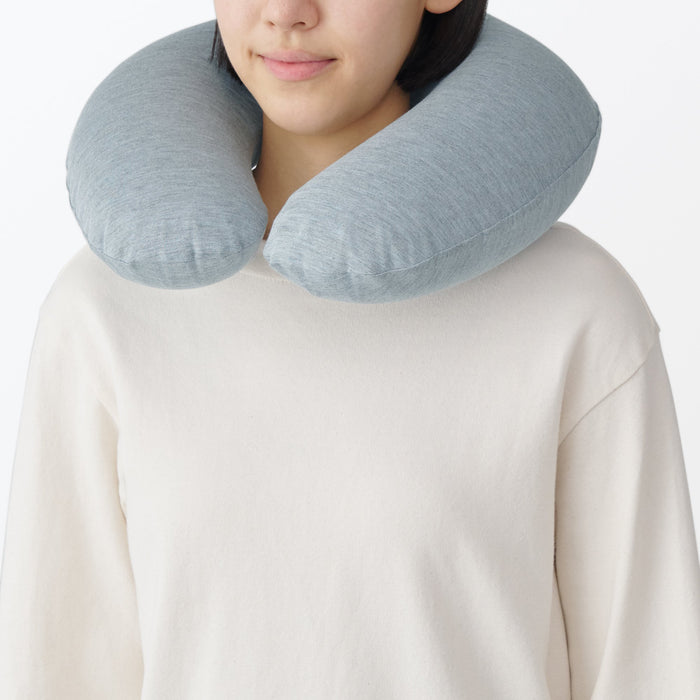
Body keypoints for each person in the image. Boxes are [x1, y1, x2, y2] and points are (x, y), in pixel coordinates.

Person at [1, 1, 699, 698]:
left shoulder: (574, 309)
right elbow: (56, 671)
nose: (285, 12)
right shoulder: (103, 311)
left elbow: (653, 670)